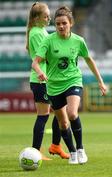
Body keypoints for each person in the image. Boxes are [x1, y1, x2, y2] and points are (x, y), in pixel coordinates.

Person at [32, 6, 107, 164]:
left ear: (70, 23)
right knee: (63, 122)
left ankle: (80, 149)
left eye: (64, 23)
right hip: (53, 85)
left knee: (72, 113)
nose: (61, 26)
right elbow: (35, 62)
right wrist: (39, 71)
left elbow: (89, 60)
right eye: (58, 23)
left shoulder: (78, 41)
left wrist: (100, 81)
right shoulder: (48, 40)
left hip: (73, 80)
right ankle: (72, 152)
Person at [26, 2, 69, 160]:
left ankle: (55, 146)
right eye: (46, 16)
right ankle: (35, 152)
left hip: (49, 79)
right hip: (41, 80)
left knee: (60, 112)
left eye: (49, 15)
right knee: (43, 116)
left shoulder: (41, 30)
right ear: (37, 18)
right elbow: (42, 57)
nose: (49, 18)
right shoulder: (36, 33)